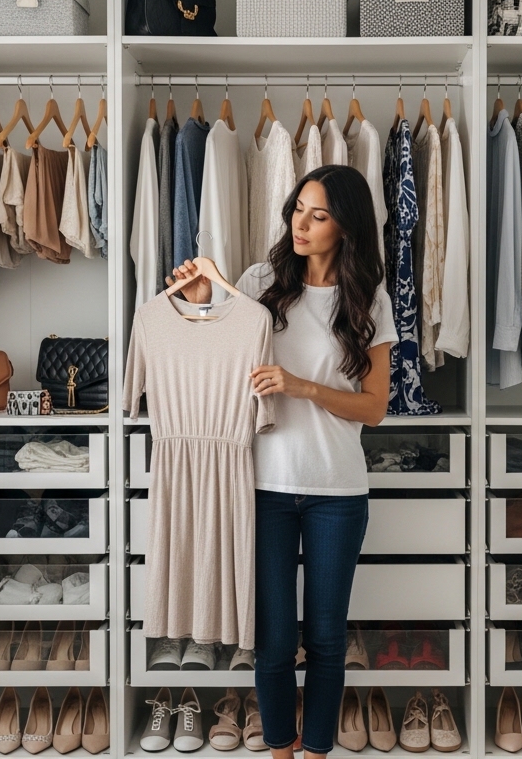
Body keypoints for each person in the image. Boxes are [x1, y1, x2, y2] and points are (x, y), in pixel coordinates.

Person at [168, 164, 394, 759]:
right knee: (269, 642)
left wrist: (305, 387)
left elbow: (375, 409)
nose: (302, 223)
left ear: (346, 227)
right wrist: (197, 306)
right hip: (261, 485)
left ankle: (316, 752)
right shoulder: (260, 280)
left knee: (324, 637)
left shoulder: (369, 296)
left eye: (319, 215)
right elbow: (209, 361)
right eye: (298, 208)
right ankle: (280, 750)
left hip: (336, 491)